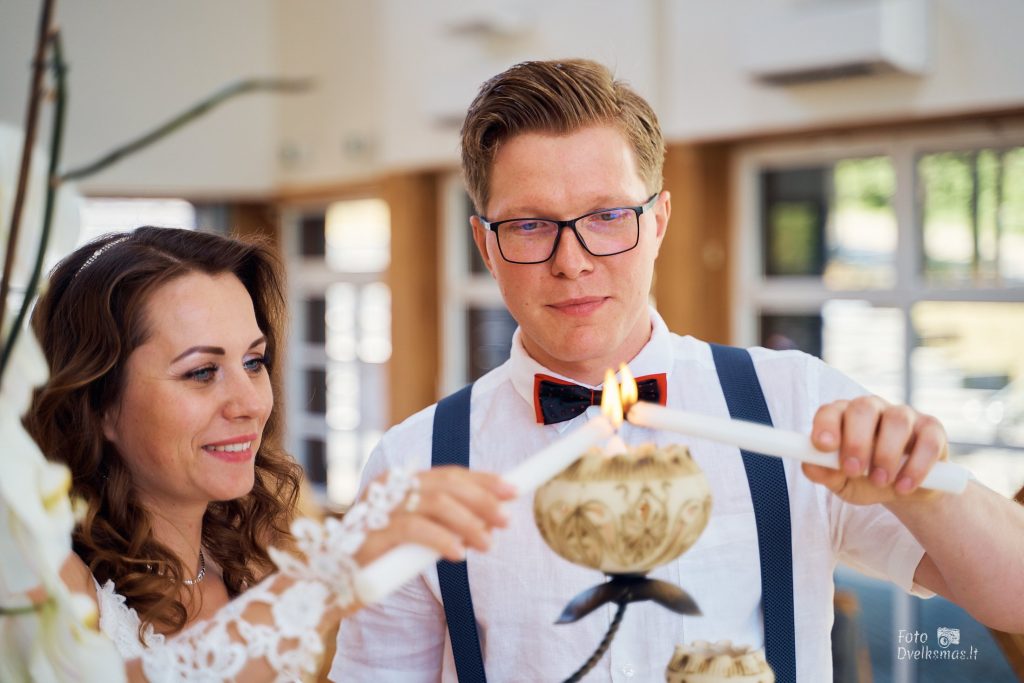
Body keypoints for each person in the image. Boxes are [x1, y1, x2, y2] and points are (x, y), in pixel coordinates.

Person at [334, 59, 1024, 682]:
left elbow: (1015, 597)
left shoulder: (795, 402)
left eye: (607, 215)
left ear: (659, 219)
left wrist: (920, 486)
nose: (571, 260)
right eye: (529, 225)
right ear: (485, 242)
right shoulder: (412, 463)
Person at [25, 226, 514, 681]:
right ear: (99, 401)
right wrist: (335, 571)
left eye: (253, 362)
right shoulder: (43, 580)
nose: (252, 404)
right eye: (201, 372)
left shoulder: (256, 556)